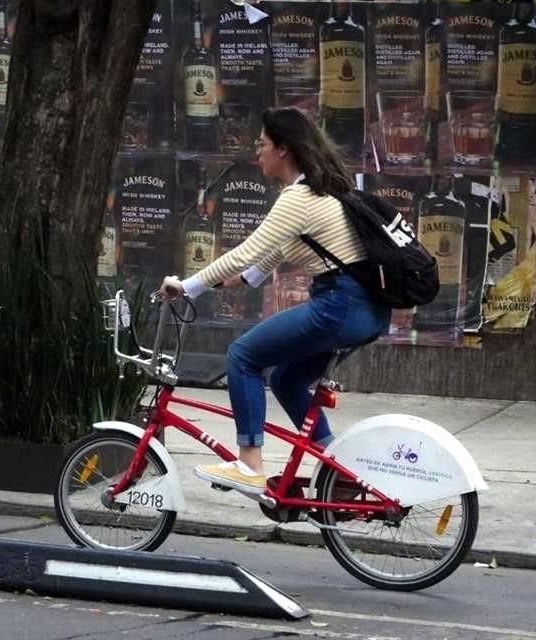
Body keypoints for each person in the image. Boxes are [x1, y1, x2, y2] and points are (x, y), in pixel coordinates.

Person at [160, 106, 390, 494]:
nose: (257, 151)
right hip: (364, 308)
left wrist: (188, 286)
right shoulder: (317, 188)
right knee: (286, 378)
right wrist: (244, 280)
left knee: (242, 356)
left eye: (262, 144)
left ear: (283, 149)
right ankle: (338, 471)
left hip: (340, 304)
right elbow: (280, 247)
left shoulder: (298, 197)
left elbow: (248, 249)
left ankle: (249, 463)